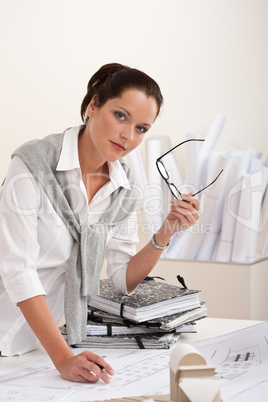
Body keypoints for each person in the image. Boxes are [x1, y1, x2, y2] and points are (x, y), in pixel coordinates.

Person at [0, 63, 200, 384]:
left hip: (36, 347)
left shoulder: (124, 188)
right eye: (121, 116)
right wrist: (63, 357)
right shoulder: (32, 166)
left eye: (142, 128)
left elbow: (123, 279)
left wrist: (167, 230)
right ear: (93, 105)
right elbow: (17, 271)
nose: (128, 136)